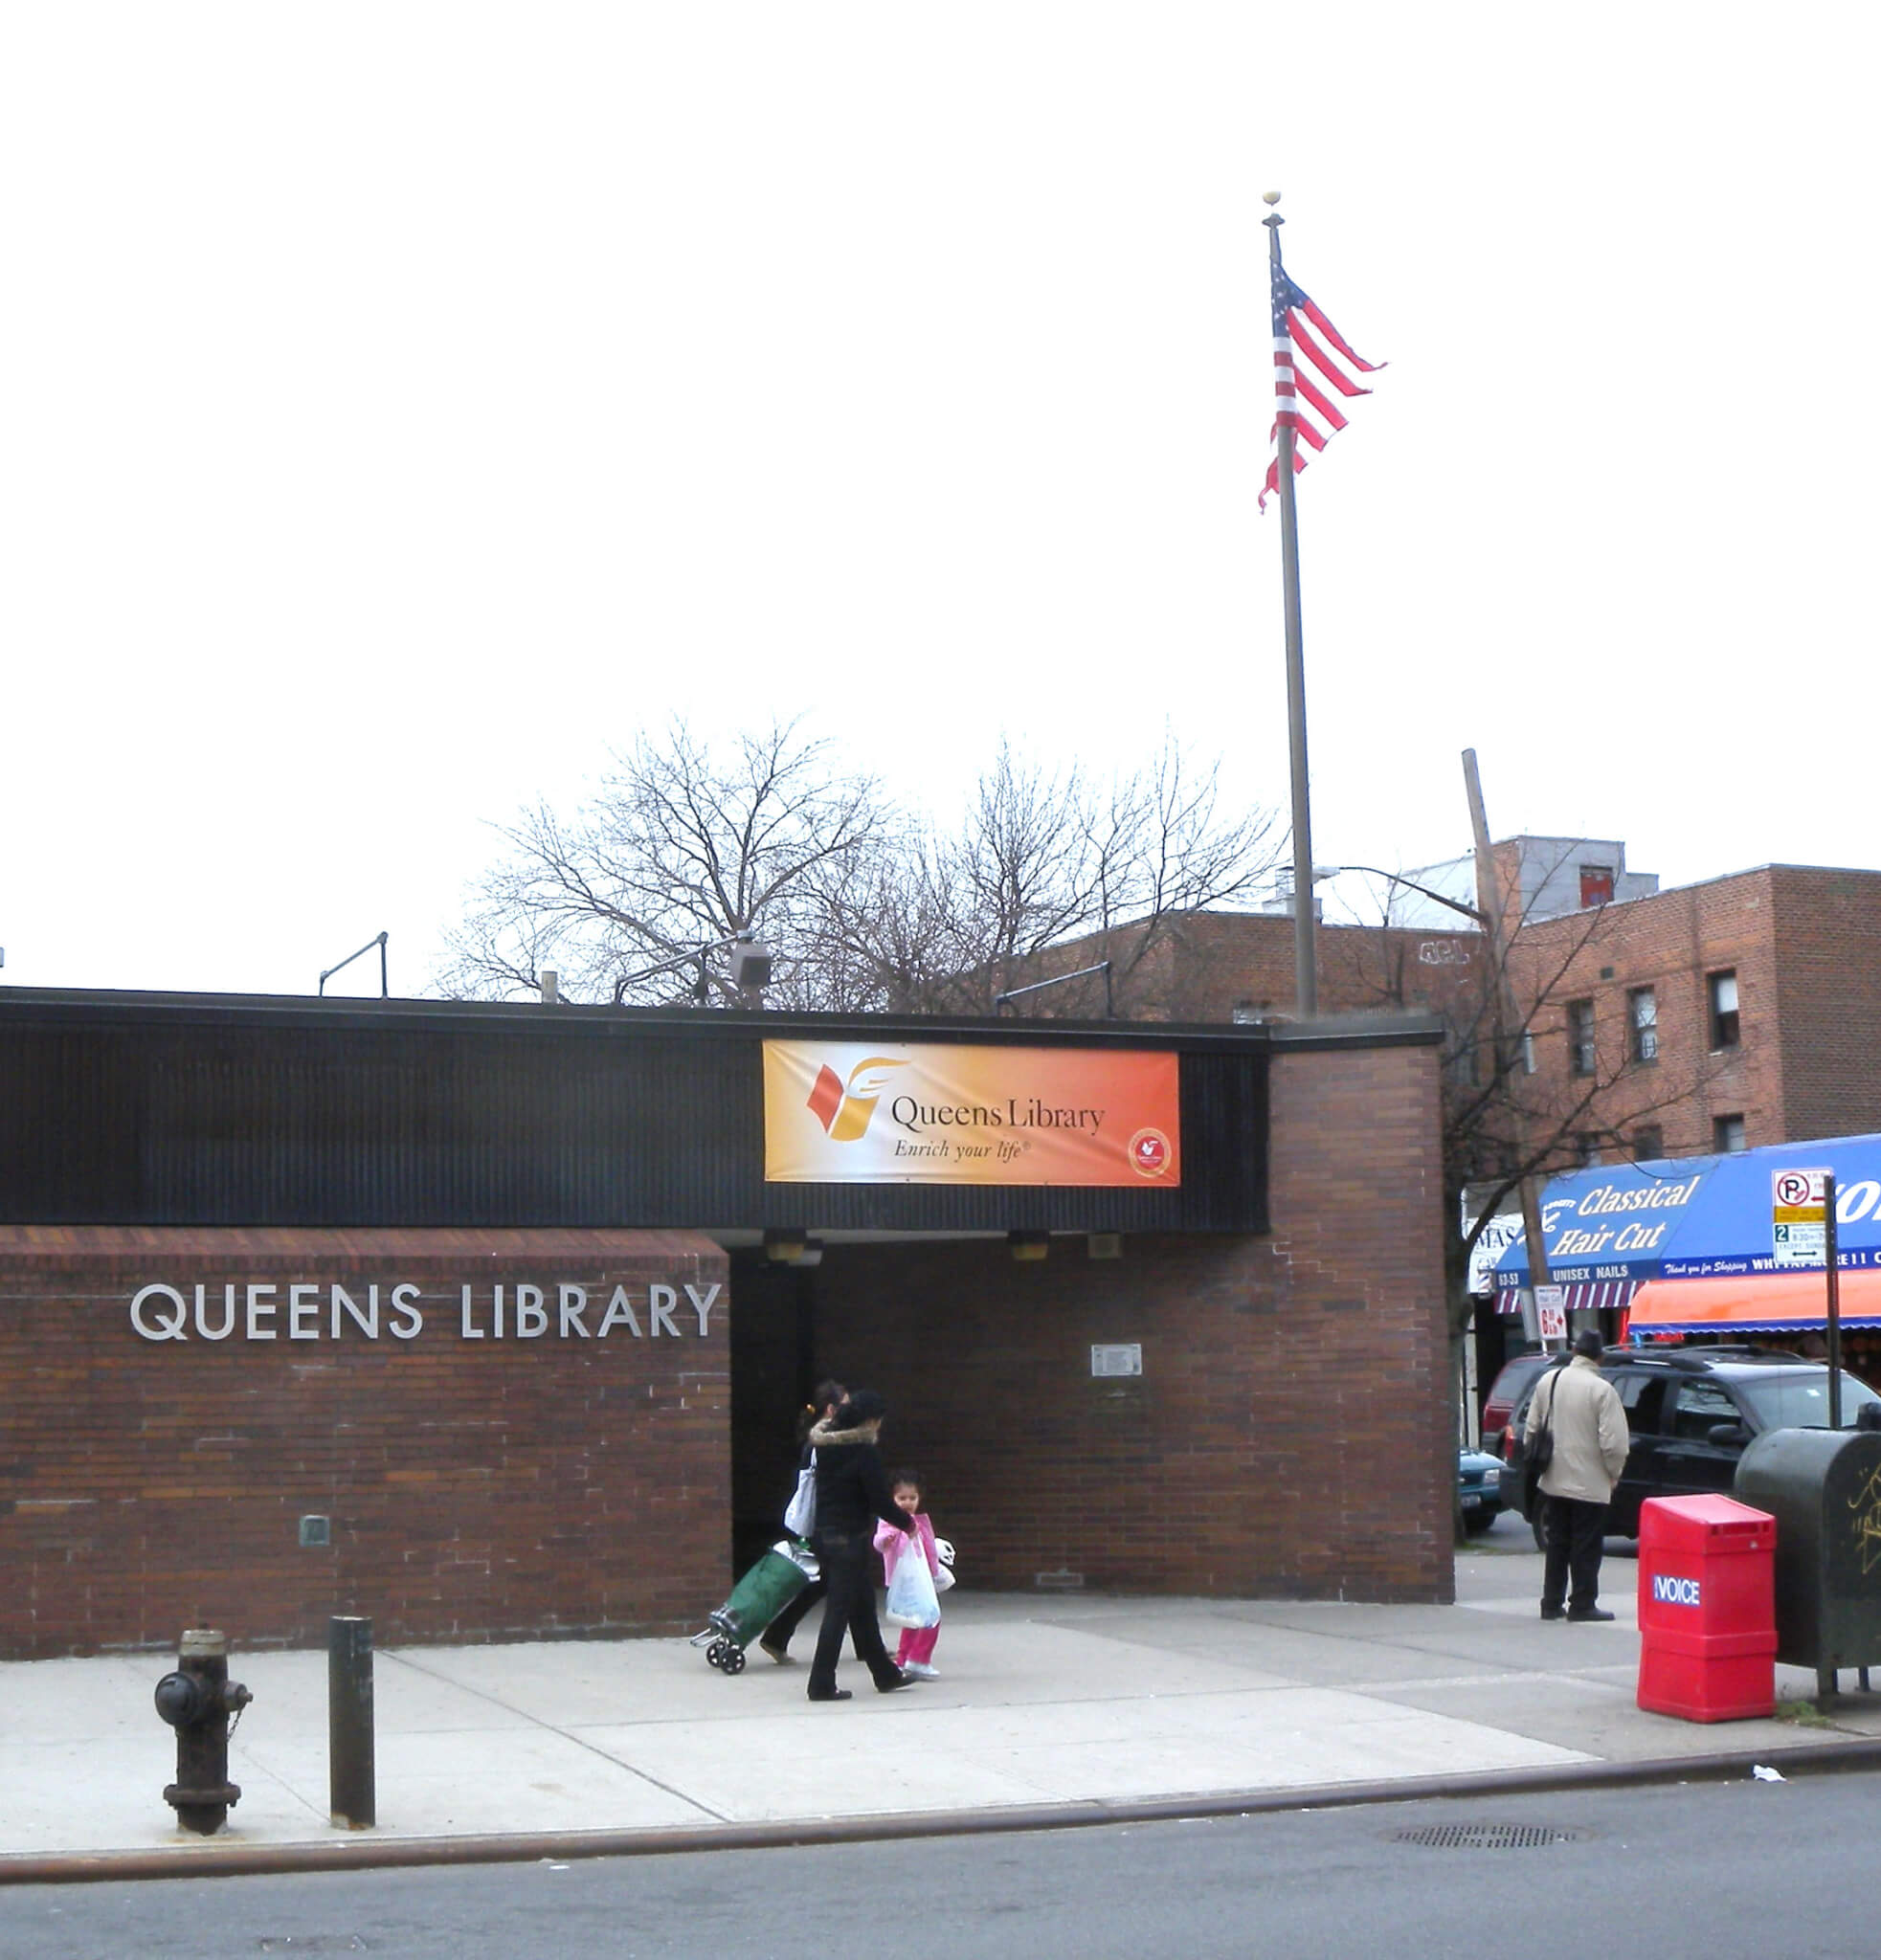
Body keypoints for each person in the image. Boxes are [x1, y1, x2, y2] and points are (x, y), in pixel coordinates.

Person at [804, 1389, 920, 1702]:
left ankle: (884, 1673)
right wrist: (908, 1524)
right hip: (849, 1539)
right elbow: (880, 1500)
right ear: (870, 1420)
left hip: (825, 1535)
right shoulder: (862, 1451)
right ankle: (821, 1683)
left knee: (862, 1607)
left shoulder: (826, 1447)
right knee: (839, 1612)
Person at [1526, 1327, 1630, 1622]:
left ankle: (1551, 1602)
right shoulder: (1602, 1391)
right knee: (1586, 1544)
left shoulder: (1550, 1380)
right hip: (1590, 1482)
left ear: (1574, 1352)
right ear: (1600, 1357)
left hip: (1554, 1478)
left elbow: (1532, 1428)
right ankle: (1582, 1603)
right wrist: (1613, 1474)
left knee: (1557, 1541)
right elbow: (1615, 1443)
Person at [759, 1379, 845, 1664]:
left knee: (834, 1583)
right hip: (825, 1524)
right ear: (831, 1409)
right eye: (845, 1406)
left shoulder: (815, 1441)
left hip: (819, 1523)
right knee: (840, 1583)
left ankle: (777, 1636)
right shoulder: (824, 1443)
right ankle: (776, 1635)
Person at [874, 1470, 943, 1679]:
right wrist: (892, 1535)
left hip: (920, 1576)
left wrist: (935, 1571)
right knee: (930, 1616)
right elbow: (879, 1542)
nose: (907, 1502)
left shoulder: (920, 1521)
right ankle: (918, 1660)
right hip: (903, 1577)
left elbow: (928, 1547)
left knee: (912, 1619)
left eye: (912, 1498)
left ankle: (904, 1659)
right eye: (901, 1498)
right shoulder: (890, 1522)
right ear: (892, 1499)